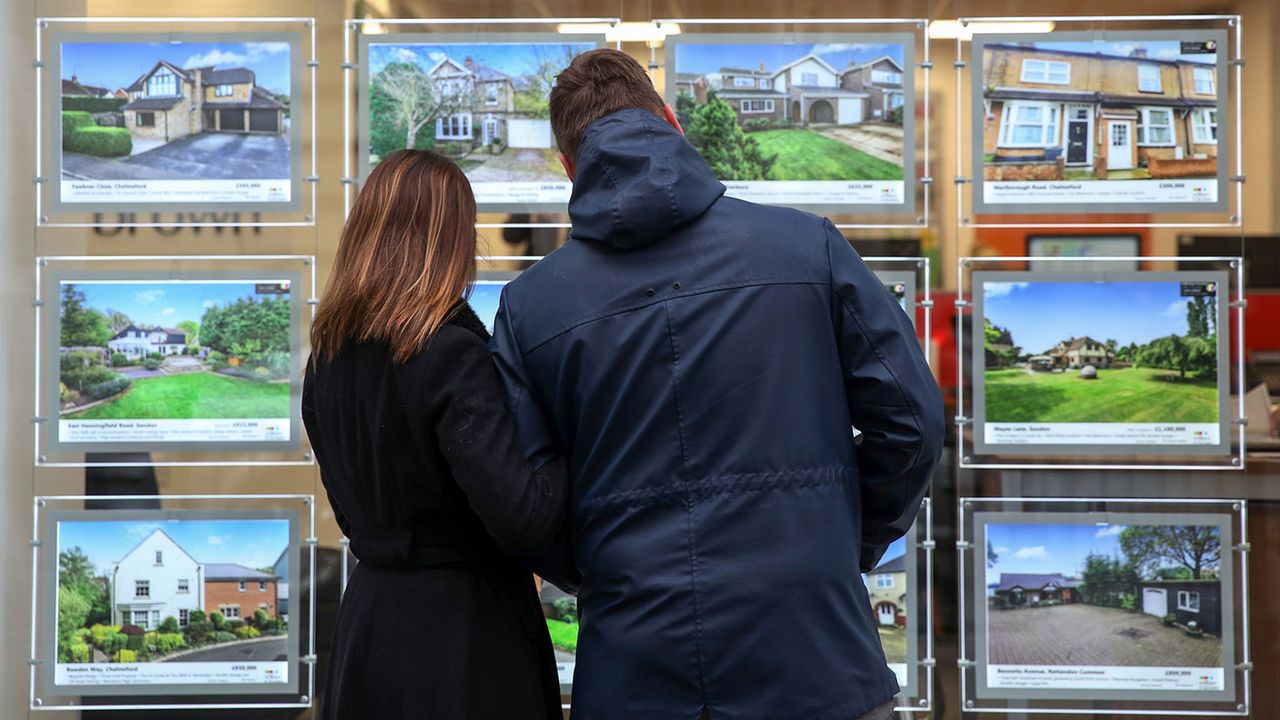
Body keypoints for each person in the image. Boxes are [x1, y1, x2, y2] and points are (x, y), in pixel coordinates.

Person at [490, 49, 945, 720]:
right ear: (673, 123)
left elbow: (523, 500)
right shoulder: (806, 246)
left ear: (567, 165)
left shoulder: (531, 307)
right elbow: (913, 420)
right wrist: (841, 537)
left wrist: (607, 569)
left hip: (636, 669)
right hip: (814, 659)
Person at [303, 149, 567, 720]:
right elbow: (520, 513)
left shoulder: (328, 356)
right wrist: (571, 442)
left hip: (370, 626)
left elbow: (352, 510)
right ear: (449, 238)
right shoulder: (448, 351)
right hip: (463, 641)